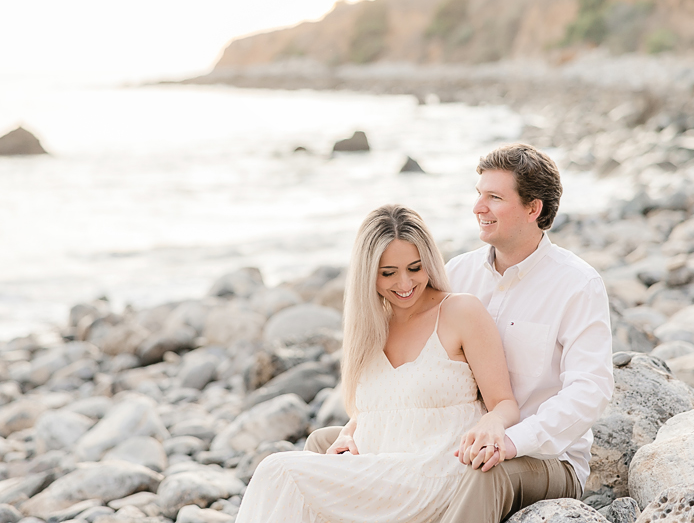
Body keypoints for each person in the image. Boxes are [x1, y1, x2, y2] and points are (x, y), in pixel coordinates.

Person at [306, 143, 614, 523]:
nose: (478, 208)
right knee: (325, 445)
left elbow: (590, 390)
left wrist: (513, 440)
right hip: (455, 439)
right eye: (479, 194)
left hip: (541, 457)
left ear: (533, 208)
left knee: (484, 471)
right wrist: (356, 429)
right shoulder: (458, 273)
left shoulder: (576, 284)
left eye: (494, 197)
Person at [235, 204, 519, 523]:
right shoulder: (370, 328)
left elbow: (505, 403)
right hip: (379, 471)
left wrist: (492, 423)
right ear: (368, 273)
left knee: (278, 470)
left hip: (435, 474)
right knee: (289, 488)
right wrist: (346, 433)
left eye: (415, 267)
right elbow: (378, 407)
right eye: (388, 273)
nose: (404, 283)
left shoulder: (460, 312)